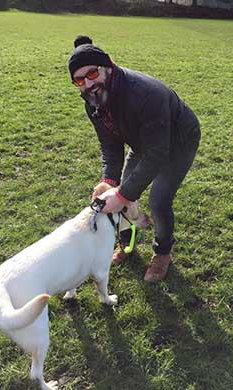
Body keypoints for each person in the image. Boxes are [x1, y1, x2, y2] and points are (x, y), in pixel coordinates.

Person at [68, 35, 201, 283]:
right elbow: (110, 143)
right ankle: (127, 244)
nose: (88, 83)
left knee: (159, 200)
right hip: (143, 140)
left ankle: (162, 253)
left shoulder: (145, 93)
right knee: (124, 193)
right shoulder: (93, 100)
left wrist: (121, 195)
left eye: (93, 74)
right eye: (79, 80)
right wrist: (109, 181)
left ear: (108, 66)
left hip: (178, 141)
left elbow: (158, 153)